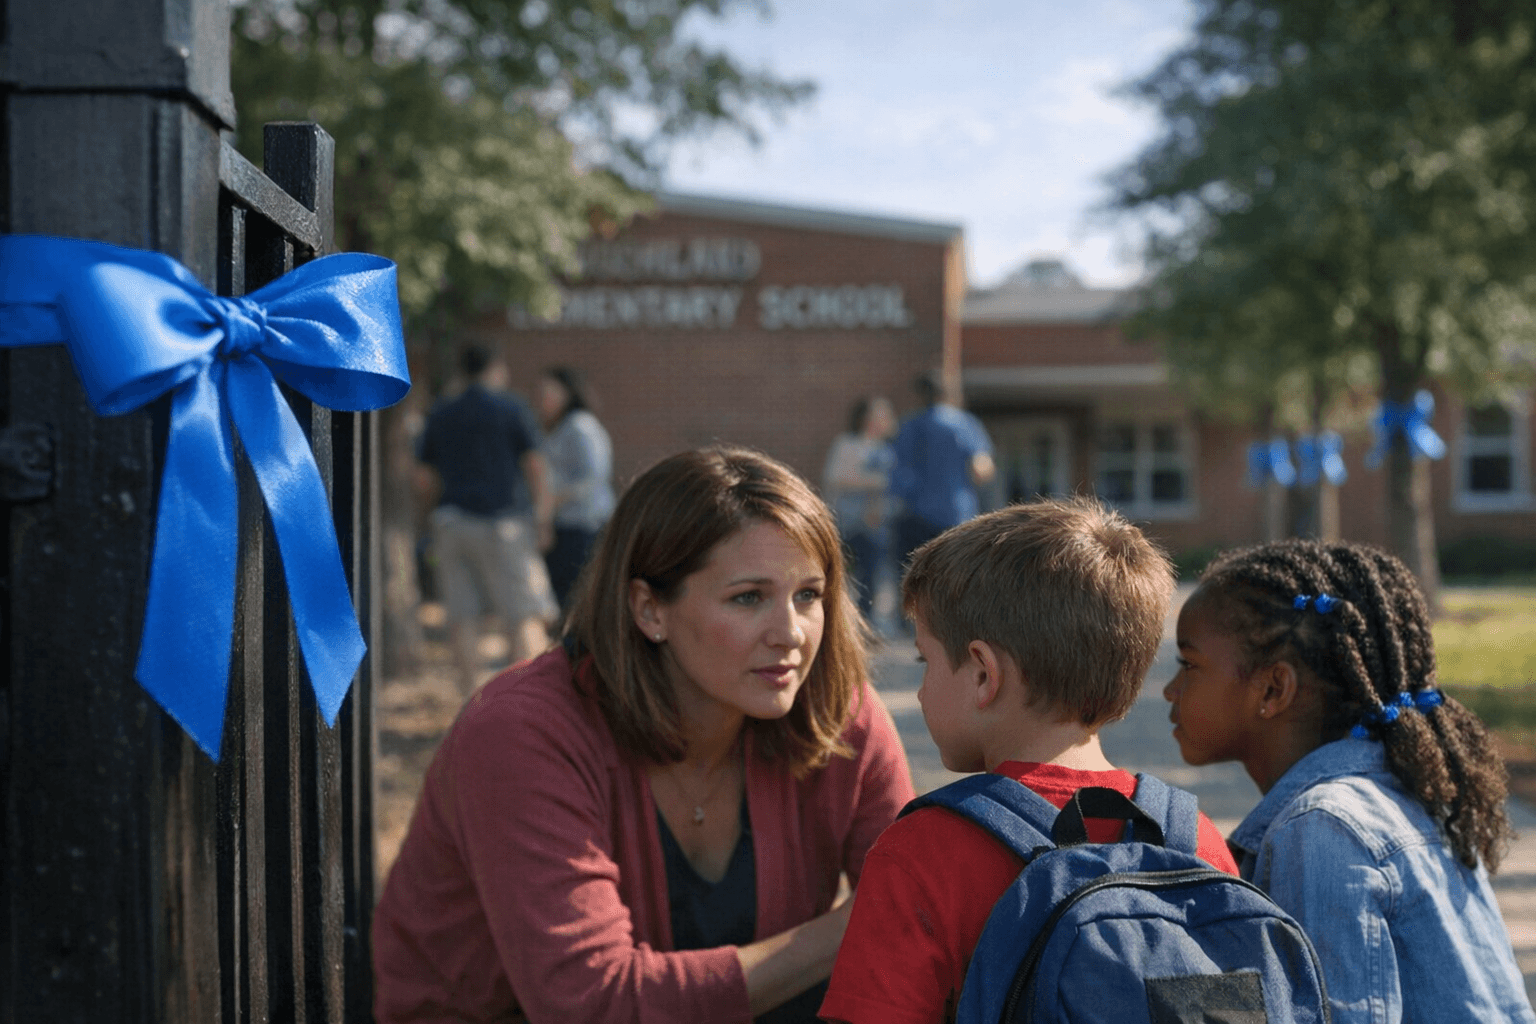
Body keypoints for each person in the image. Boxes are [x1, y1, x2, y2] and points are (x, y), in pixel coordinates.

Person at [373, 445, 916, 1024]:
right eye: (748, 598)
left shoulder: (836, 712)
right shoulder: (521, 733)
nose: (791, 634)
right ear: (648, 609)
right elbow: (591, 1004)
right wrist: (853, 927)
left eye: (808, 595)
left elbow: (922, 923)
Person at [820, 497, 1239, 1024]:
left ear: (981, 674)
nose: (921, 692)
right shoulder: (1194, 840)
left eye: (926, 662)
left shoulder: (921, 853)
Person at [1163, 539, 1535, 1024]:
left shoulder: (1319, 830)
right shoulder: (1403, 789)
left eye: (1189, 665)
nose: (1170, 690)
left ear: (1273, 688)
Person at [417, 343, 558, 695]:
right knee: (524, 615)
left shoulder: (442, 411)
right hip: (504, 524)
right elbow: (535, 466)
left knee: (461, 616)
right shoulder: (511, 408)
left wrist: (430, 517)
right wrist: (542, 517)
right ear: (496, 367)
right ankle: (531, 700)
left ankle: (471, 701)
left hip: (452, 522)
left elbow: (423, 477)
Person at [888, 373, 995, 574]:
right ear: (948, 395)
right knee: (952, 579)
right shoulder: (964, 424)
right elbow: (982, 470)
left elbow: (895, 471)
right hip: (954, 514)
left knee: (914, 580)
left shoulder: (908, 425)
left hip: (913, 514)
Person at [535, 365, 616, 611]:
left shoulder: (580, 426)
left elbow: (592, 477)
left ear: (567, 393)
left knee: (576, 600)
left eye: (548, 392)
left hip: (583, 526)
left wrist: (551, 500)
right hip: (565, 525)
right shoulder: (558, 428)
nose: (541, 399)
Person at [821, 396, 896, 620]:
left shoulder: (888, 450)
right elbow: (834, 476)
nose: (888, 419)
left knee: (872, 579)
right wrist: (875, 482)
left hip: (876, 525)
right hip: (848, 522)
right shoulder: (848, 444)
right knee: (841, 576)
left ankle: (867, 623)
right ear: (867, 418)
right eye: (882, 414)